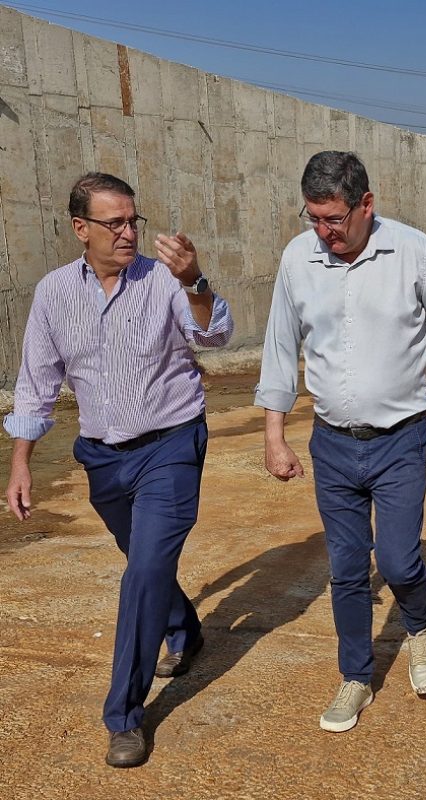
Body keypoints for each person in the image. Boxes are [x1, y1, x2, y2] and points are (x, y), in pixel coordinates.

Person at [255, 151, 426, 733]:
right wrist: (275, 435)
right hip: (332, 445)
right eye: (312, 218)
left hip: (399, 442)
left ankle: (420, 626)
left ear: (366, 205)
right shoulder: (298, 258)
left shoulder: (411, 252)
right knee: (346, 567)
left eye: (334, 220)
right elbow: (278, 346)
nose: (323, 233)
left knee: (396, 559)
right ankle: (355, 677)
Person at [3, 172, 233, 768]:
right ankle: (184, 629)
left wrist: (195, 282)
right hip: (103, 456)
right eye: (115, 223)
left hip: (172, 446)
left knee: (144, 571)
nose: (129, 232)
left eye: (134, 220)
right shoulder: (54, 294)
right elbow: (36, 384)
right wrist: (21, 464)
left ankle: (125, 716)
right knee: (147, 565)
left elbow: (213, 334)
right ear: (81, 228)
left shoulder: (162, 281)